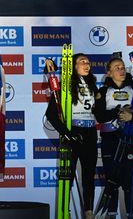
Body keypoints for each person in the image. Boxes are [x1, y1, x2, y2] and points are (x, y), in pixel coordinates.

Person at [94, 57, 133, 219]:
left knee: (129, 182)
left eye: (123, 67)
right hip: (109, 140)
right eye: (117, 67)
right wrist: (118, 112)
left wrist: (131, 117)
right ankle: (111, 214)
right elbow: (99, 115)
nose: (121, 70)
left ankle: (131, 215)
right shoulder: (103, 92)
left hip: (129, 139)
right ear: (109, 73)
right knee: (111, 181)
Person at [45, 53, 98, 219]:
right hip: (73, 132)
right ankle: (64, 211)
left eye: (88, 62)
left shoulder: (93, 85)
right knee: (67, 177)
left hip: (90, 133)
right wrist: (66, 133)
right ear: (73, 67)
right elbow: (51, 115)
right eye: (82, 61)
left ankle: (88, 212)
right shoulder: (65, 86)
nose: (86, 64)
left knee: (89, 177)